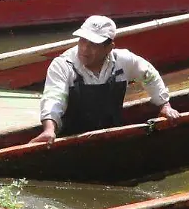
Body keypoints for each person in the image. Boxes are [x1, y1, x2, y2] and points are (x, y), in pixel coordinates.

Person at [30, 15, 179, 144]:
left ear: (109, 48)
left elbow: (150, 76)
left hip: (113, 134)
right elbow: (53, 98)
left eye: (93, 44)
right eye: (82, 41)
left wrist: (164, 105)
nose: (84, 49)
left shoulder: (124, 61)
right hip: (72, 137)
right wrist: (49, 129)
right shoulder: (63, 65)